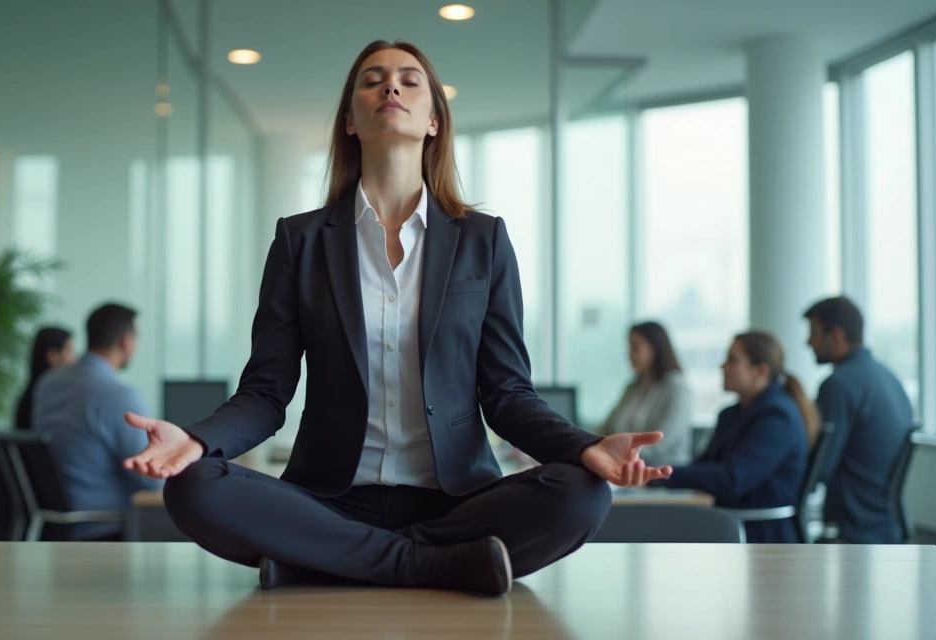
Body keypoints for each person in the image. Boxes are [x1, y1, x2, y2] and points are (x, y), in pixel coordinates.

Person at [121, 40, 671, 596]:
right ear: (350, 121)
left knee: (582, 493)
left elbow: (508, 395)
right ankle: (434, 565)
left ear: (434, 121)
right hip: (328, 501)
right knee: (192, 486)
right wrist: (196, 441)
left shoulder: (483, 241)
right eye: (372, 80)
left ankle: (323, 562)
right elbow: (265, 393)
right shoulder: (300, 240)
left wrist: (583, 447)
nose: (391, 87)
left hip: (457, 502)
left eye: (409, 80)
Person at [658, 331, 818, 543]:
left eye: (733, 360)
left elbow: (733, 479)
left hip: (762, 536)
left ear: (760, 371)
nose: (722, 366)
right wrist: (660, 474)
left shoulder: (777, 417)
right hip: (730, 524)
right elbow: (704, 465)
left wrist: (661, 475)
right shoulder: (731, 414)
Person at [33, 303, 163, 541]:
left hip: (55, 525)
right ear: (126, 342)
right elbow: (153, 478)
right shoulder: (119, 396)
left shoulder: (47, 383)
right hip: (104, 528)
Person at [804, 296, 914, 544]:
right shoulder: (889, 378)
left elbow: (818, 468)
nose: (808, 342)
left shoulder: (839, 385)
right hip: (886, 525)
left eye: (813, 334)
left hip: (853, 531)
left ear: (836, 335)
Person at [597, 322, 692, 467]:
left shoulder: (677, 389)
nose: (629, 355)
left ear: (655, 349)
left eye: (635, 347)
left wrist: (612, 452)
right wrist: (584, 442)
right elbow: (607, 427)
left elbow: (660, 443)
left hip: (665, 472)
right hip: (627, 468)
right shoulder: (633, 387)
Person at [14, 327, 75, 431]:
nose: (75, 359)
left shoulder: (30, 396)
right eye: (70, 351)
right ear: (53, 357)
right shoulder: (55, 399)